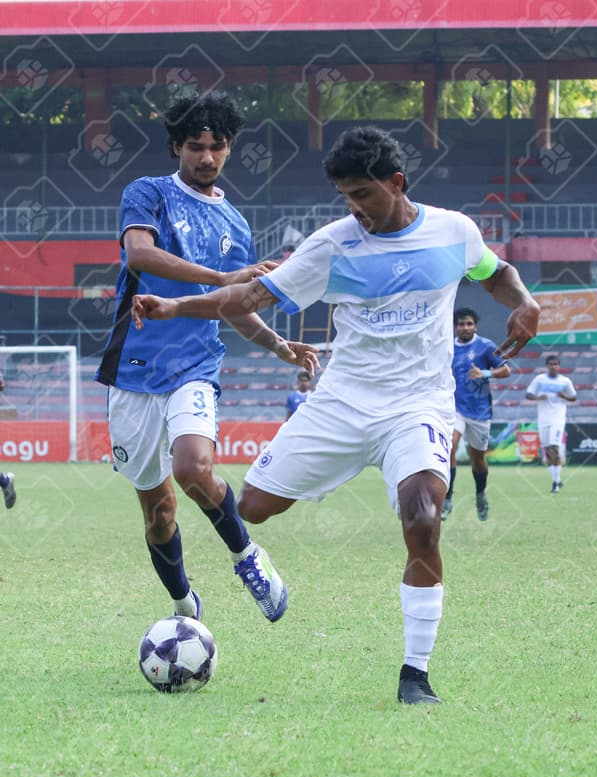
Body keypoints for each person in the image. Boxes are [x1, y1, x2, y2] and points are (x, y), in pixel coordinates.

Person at [131, 126, 540, 704]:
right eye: (346, 198)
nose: (356, 210)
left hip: (418, 404)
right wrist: (175, 306)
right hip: (341, 403)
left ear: (397, 183)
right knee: (252, 507)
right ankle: (280, 534)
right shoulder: (332, 245)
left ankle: (414, 676)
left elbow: (493, 273)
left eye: (364, 195)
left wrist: (525, 301)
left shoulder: (454, 232)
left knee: (423, 516)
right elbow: (248, 299)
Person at [96, 91, 317, 625]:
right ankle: (183, 606)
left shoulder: (235, 226)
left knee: (194, 468)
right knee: (159, 512)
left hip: (195, 366)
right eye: (196, 147)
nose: (207, 158)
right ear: (177, 146)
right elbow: (140, 255)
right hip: (132, 371)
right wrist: (222, 277)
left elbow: (233, 307)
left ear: (229, 149)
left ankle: (248, 559)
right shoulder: (146, 192)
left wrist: (278, 344)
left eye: (217, 147)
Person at [442, 307, 511, 522]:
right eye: (461, 324)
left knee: (478, 459)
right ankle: (447, 498)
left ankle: (480, 494)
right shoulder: (447, 347)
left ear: (475, 326)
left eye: (469, 324)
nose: (465, 327)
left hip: (480, 411)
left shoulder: (485, 346)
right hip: (454, 408)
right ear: (456, 326)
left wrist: (486, 373)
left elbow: (506, 370)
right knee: (449, 447)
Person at [525, 354, 576, 493]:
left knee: (555, 447)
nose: (554, 367)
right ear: (547, 366)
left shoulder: (565, 381)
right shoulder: (539, 379)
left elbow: (573, 397)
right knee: (547, 451)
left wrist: (564, 396)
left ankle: (555, 484)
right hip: (543, 419)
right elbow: (528, 394)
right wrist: (537, 397)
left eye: (556, 364)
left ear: (559, 366)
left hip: (558, 419)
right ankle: (557, 480)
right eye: (551, 364)